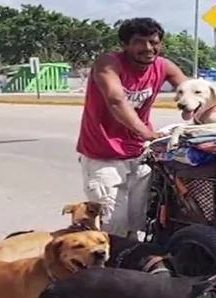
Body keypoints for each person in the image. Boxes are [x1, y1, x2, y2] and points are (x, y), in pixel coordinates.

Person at [76, 17, 188, 238]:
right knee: (112, 224)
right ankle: (103, 270)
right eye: (139, 42)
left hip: (139, 154)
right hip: (103, 155)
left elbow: (193, 90)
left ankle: (131, 268)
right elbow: (116, 101)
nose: (148, 48)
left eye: (154, 42)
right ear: (125, 45)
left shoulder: (163, 66)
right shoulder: (108, 63)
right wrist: (147, 133)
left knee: (139, 223)